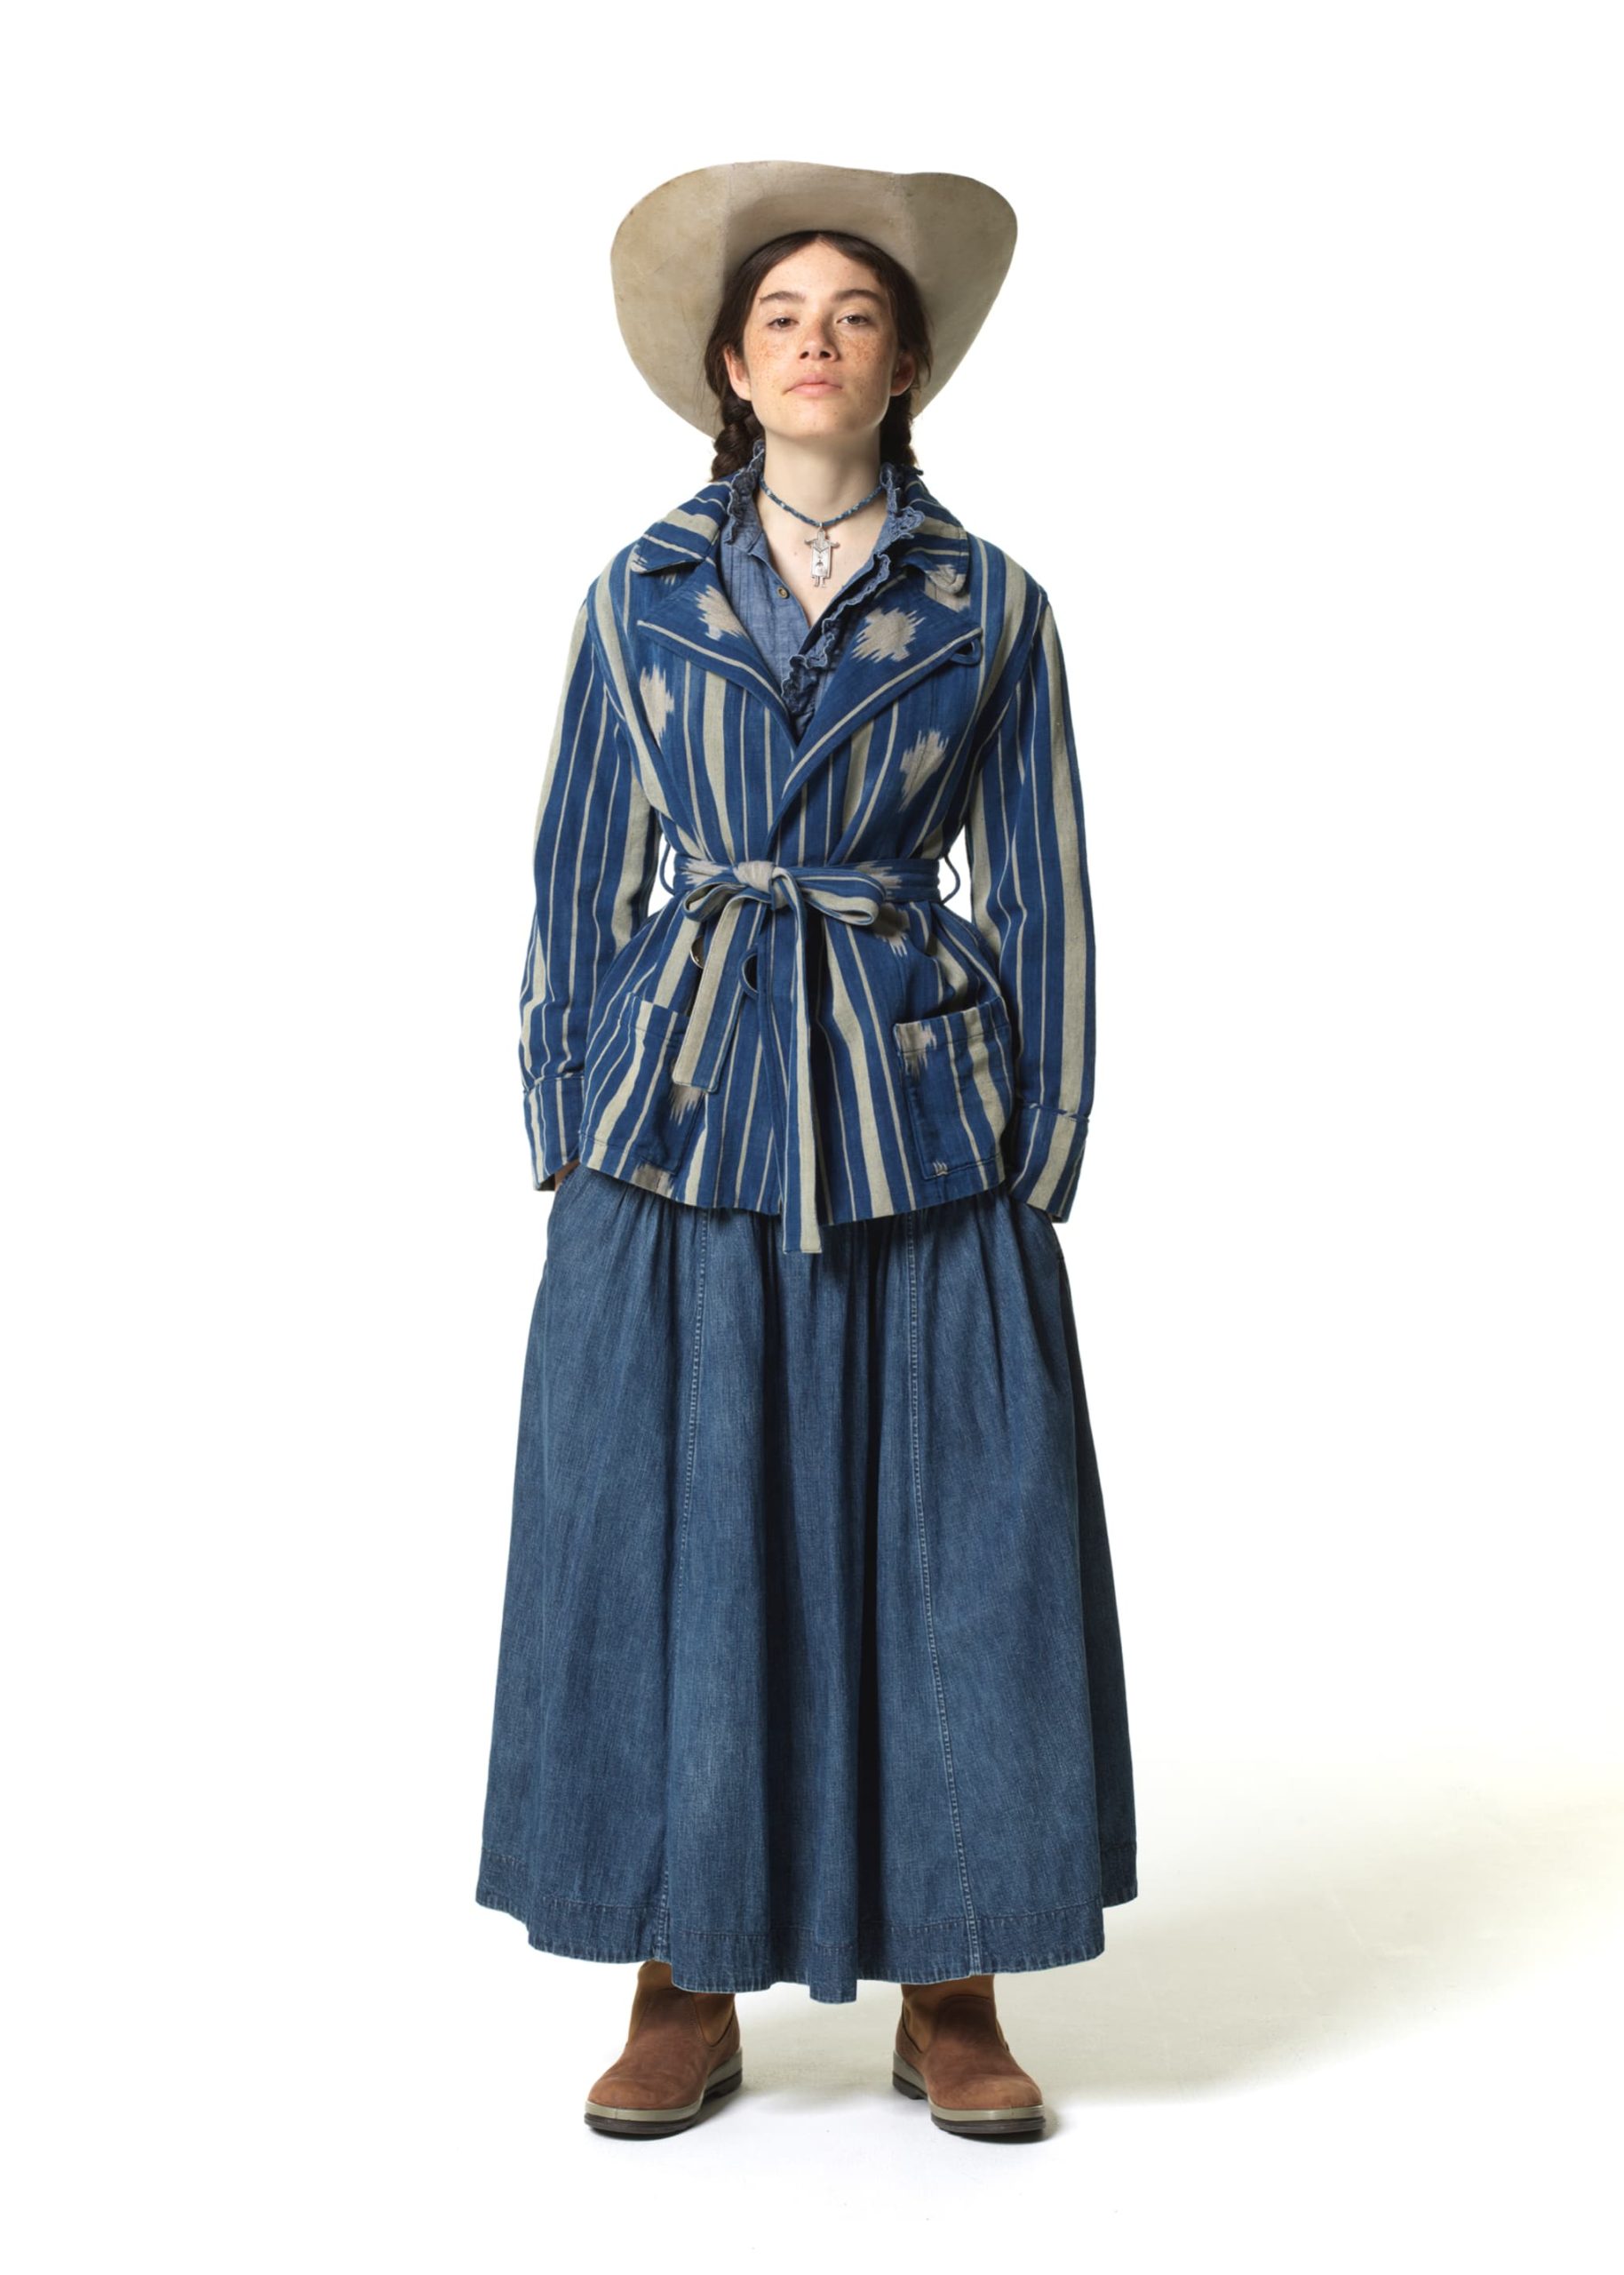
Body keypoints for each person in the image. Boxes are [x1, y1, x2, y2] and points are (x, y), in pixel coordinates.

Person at [476, 160, 1137, 2143]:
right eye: (781, 317)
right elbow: (578, 869)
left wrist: (1041, 1142)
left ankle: (955, 1979)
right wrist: (566, 1114)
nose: (816, 343)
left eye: (855, 315)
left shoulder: (990, 602)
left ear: (906, 362)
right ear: (729, 366)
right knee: (664, 1529)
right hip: (676, 1119)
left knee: (958, 1541)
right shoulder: (635, 592)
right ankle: (680, 1974)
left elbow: (1045, 885)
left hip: (921, 1115)